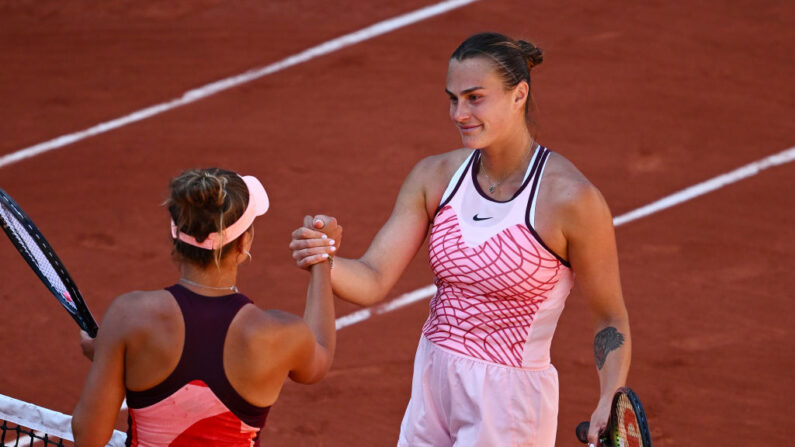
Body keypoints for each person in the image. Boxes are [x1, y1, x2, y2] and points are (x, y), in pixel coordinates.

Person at [289, 32, 630, 446]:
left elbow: (610, 317)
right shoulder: (434, 176)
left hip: (509, 406)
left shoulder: (572, 200)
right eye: (453, 98)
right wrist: (322, 256)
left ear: (519, 95)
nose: (458, 113)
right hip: (432, 382)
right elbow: (373, 277)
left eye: (474, 98)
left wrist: (609, 397)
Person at [72, 168, 336, 446]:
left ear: (176, 238)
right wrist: (321, 258)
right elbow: (319, 358)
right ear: (244, 242)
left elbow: (89, 437)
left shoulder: (129, 316)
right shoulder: (281, 334)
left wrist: (110, 359)